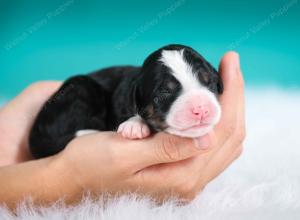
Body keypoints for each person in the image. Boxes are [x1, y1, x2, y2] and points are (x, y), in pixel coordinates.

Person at [0, 52, 245, 210]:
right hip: (64, 121)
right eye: (167, 93)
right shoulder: (131, 97)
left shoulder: (146, 92)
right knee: (80, 89)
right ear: (139, 101)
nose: (200, 108)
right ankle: (69, 138)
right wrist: (66, 176)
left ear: (215, 78)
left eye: (207, 83)